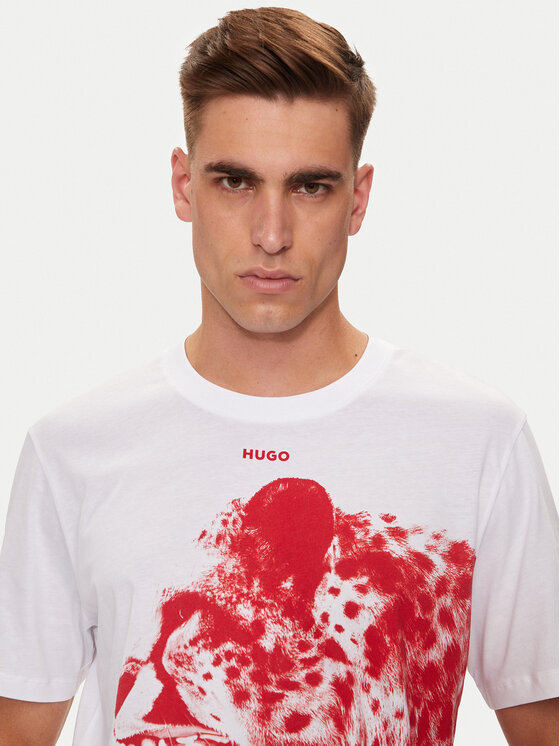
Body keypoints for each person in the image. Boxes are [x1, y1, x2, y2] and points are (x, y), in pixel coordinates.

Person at [0, 6, 557, 745]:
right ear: (182, 186)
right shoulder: (73, 449)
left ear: (358, 199)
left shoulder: (478, 440)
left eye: (310, 187)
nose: (271, 234)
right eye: (235, 181)